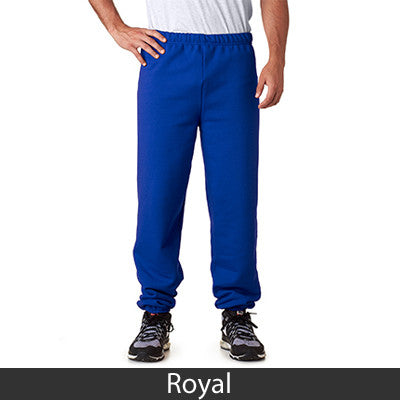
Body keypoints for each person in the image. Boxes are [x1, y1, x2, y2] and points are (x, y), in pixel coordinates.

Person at [89, 0, 289, 362]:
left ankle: (237, 312)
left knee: (235, 195)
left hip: (233, 59)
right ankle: (155, 311)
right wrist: (117, 28)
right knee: (159, 193)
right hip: (166, 55)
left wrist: (277, 58)